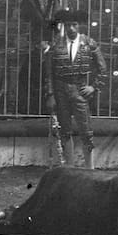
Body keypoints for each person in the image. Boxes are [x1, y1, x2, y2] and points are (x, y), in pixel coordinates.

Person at [43, 9, 106, 169]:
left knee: (86, 130)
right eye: (68, 25)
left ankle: (90, 168)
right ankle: (70, 167)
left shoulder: (89, 43)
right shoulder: (57, 44)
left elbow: (102, 69)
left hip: (80, 90)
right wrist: (50, 94)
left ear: (79, 26)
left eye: (74, 25)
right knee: (65, 130)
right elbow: (49, 73)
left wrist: (93, 87)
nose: (71, 28)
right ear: (64, 26)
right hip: (61, 90)